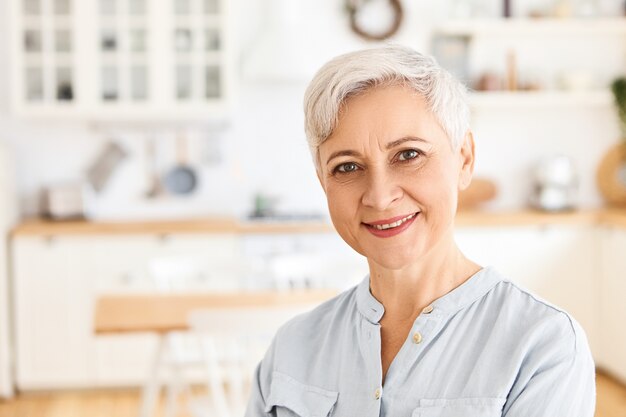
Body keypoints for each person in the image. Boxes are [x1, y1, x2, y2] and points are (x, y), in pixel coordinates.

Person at [244, 45, 596, 417]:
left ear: (464, 159)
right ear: (323, 182)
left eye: (408, 155)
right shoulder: (291, 348)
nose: (379, 197)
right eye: (347, 167)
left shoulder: (543, 347)